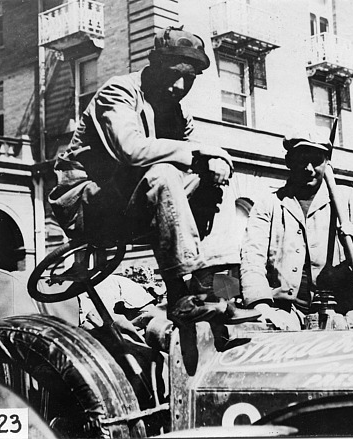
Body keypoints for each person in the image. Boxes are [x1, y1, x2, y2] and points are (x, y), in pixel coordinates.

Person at [48, 26, 259, 327]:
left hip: (133, 201)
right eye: (174, 73)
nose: (180, 85)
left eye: (190, 78)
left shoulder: (177, 112)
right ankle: (179, 298)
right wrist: (202, 152)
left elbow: (195, 159)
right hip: (88, 204)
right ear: (154, 65)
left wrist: (216, 164)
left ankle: (221, 295)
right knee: (162, 174)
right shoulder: (118, 92)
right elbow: (132, 150)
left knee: (216, 183)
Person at [240, 132, 353, 330]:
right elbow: (252, 260)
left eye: (316, 160)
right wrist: (261, 307)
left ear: (327, 162)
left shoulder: (347, 199)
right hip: (284, 312)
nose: (308, 168)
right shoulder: (269, 204)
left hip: (341, 312)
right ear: (288, 162)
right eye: (301, 160)